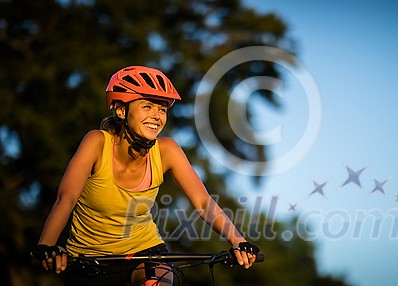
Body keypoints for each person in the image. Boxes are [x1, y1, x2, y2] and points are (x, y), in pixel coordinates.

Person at [32, 66, 259, 285]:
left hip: (145, 251)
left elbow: (203, 202)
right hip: (90, 261)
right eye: (147, 106)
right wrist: (47, 245)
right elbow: (66, 198)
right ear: (122, 110)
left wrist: (238, 241)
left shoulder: (167, 150)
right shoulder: (97, 143)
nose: (157, 116)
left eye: (162, 109)